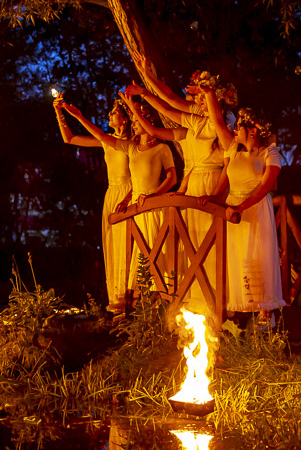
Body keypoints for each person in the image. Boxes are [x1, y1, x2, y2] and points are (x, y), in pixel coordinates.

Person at [123, 70, 236, 308]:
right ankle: (196, 300)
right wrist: (144, 90)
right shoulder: (195, 123)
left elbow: (228, 163)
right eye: (198, 98)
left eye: (202, 97)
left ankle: (219, 300)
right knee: (193, 242)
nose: (197, 102)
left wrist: (217, 194)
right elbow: (168, 106)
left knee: (214, 244)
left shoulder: (224, 124)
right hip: (193, 185)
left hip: (213, 182)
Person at [61, 99, 176, 296]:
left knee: (152, 246)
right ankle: (128, 296)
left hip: (145, 200)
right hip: (126, 200)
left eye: (137, 121)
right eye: (134, 121)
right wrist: (77, 116)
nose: (134, 124)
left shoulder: (156, 148)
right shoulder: (129, 147)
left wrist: (153, 195)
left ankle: (160, 294)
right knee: (129, 248)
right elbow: (97, 136)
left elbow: (171, 177)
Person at [200, 91, 285, 320]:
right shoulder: (232, 150)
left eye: (239, 126)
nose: (234, 129)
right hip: (232, 209)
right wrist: (208, 92)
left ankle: (266, 311)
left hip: (256, 209)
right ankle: (239, 309)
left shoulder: (270, 153)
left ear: (253, 131)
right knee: (236, 257)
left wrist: (242, 207)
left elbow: (265, 186)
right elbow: (218, 123)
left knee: (258, 257)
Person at [54, 96, 133, 312]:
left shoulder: (131, 142)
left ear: (125, 119)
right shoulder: (106, 140)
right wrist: (59, 112)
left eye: (114, 113)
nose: (109, 115)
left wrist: (79, 116)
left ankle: (130, 297)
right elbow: (70, 139)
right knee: (112, 244)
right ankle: (116, 297)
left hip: (128, 192)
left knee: (126, 244)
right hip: (112, 193)